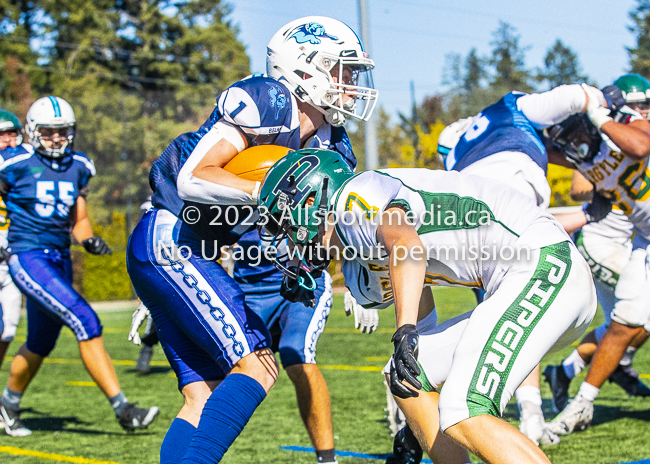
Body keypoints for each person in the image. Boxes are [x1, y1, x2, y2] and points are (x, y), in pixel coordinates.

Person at [126, 16, 378, 463]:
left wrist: (356, 269)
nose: (351, 84)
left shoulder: (331, 145)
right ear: (305, 68)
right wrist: (269, 194)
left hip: (179, 249)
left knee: (203, 395)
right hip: (173, 237)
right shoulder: (268, 100)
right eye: (342, 71)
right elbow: (193, 178)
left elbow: (322, 228)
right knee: (259, 364)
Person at [257, 149, 597, 464]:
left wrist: (404, 328)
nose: (289, 239)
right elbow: (420, 285)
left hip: (544, 267)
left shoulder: (352, 201)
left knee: (465, 408)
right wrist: (416, 428)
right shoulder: (356, 248)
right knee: (404, 375)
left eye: (286, 223)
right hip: (538, 279)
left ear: (312, 200)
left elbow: (408, 246)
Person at [0, 97, 159, 437]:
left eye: (62, 132)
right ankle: (123, 409)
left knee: (41, 342)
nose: (57, 138)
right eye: (48, 131)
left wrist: (88, 240)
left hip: (59, 256)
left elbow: (80, 218)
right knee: (84, 318)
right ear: (32, 131)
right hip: (27, 254)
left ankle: (8, 405)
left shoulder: (79, 165)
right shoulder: (13, 161)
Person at [543, 83, 650, 435]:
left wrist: (597, 116)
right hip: (644, 241)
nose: (574, 141)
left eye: (576, 131)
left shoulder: (631, 124)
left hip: (636, 240)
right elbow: (541, 150)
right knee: (624, 322)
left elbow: (640, 145)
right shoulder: (585, 152)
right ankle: (582, 402)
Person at [0, 111, 24, 374]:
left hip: (12, 258)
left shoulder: (26, 168)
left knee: (7, 329)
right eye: (2, 135)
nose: (8, 141)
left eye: (12, 134)